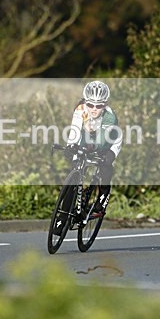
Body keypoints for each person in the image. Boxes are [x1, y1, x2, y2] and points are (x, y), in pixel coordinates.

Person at [65, 80, 121, 219]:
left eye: (99, 105)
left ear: (105, 104)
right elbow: (75, 130)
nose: (94, 109)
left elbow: (102, 142)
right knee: (75, 171)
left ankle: (103, 195)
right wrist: (71, 146)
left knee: (106, 164)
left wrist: (92, 148)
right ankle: (63, 216)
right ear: (85, 102)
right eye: (90, 104)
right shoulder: (80, 109)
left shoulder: (109, 116)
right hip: (88, 138)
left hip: (110, 141)